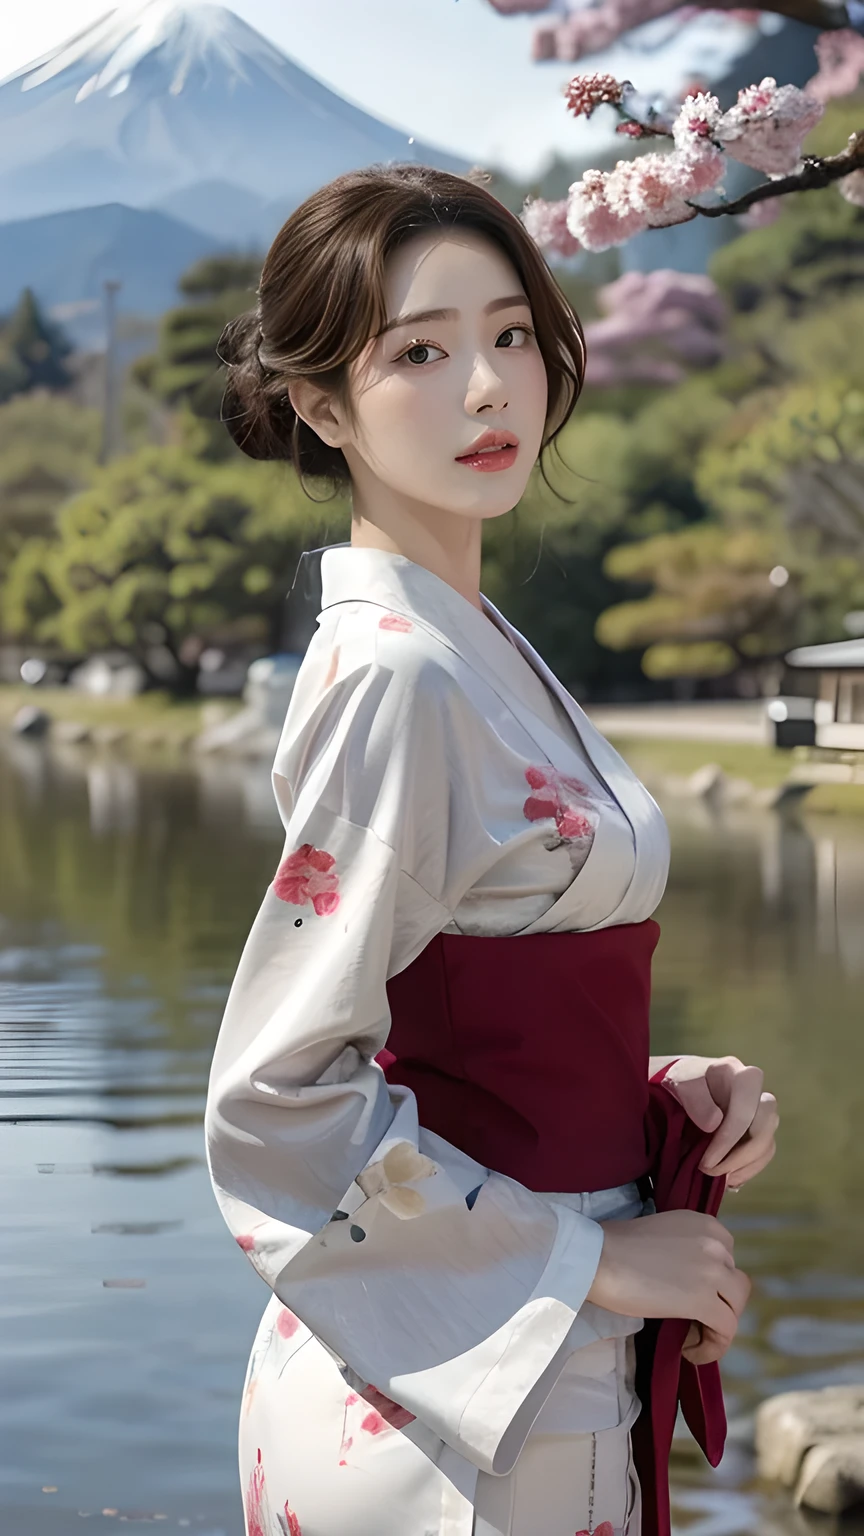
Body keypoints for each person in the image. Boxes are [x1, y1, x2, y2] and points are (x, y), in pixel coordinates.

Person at [204, 163, 779, 1536]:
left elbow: (462, 1012)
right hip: (461, 1410)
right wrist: (589, 1255)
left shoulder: (473, 651)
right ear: (319, 403)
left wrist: (645, 1089)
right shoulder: (401, 676)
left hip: (510, 1357)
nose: (487, 387)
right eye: (422, 350)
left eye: (511, 334)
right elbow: (276, 1098)